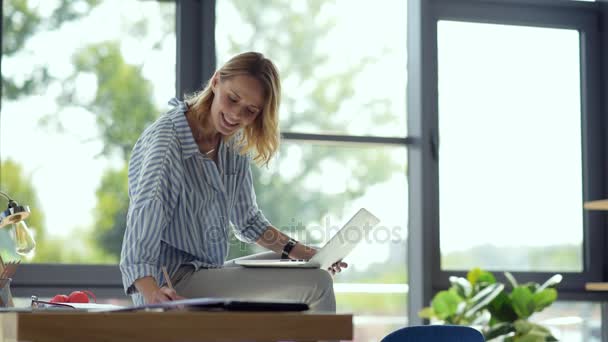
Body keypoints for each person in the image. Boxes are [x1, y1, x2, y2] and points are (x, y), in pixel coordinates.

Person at [119, 52, 346, 312]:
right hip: (170, 284)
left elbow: (248, 222)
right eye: (233, 98)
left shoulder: (231, 143)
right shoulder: (169, 143)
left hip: (205, 273)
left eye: (250, 110)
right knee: (317, 283)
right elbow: (141, 228)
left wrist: (309, 254)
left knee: (312, 269)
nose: (236, 115)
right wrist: (152, 294)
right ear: (216, 82)